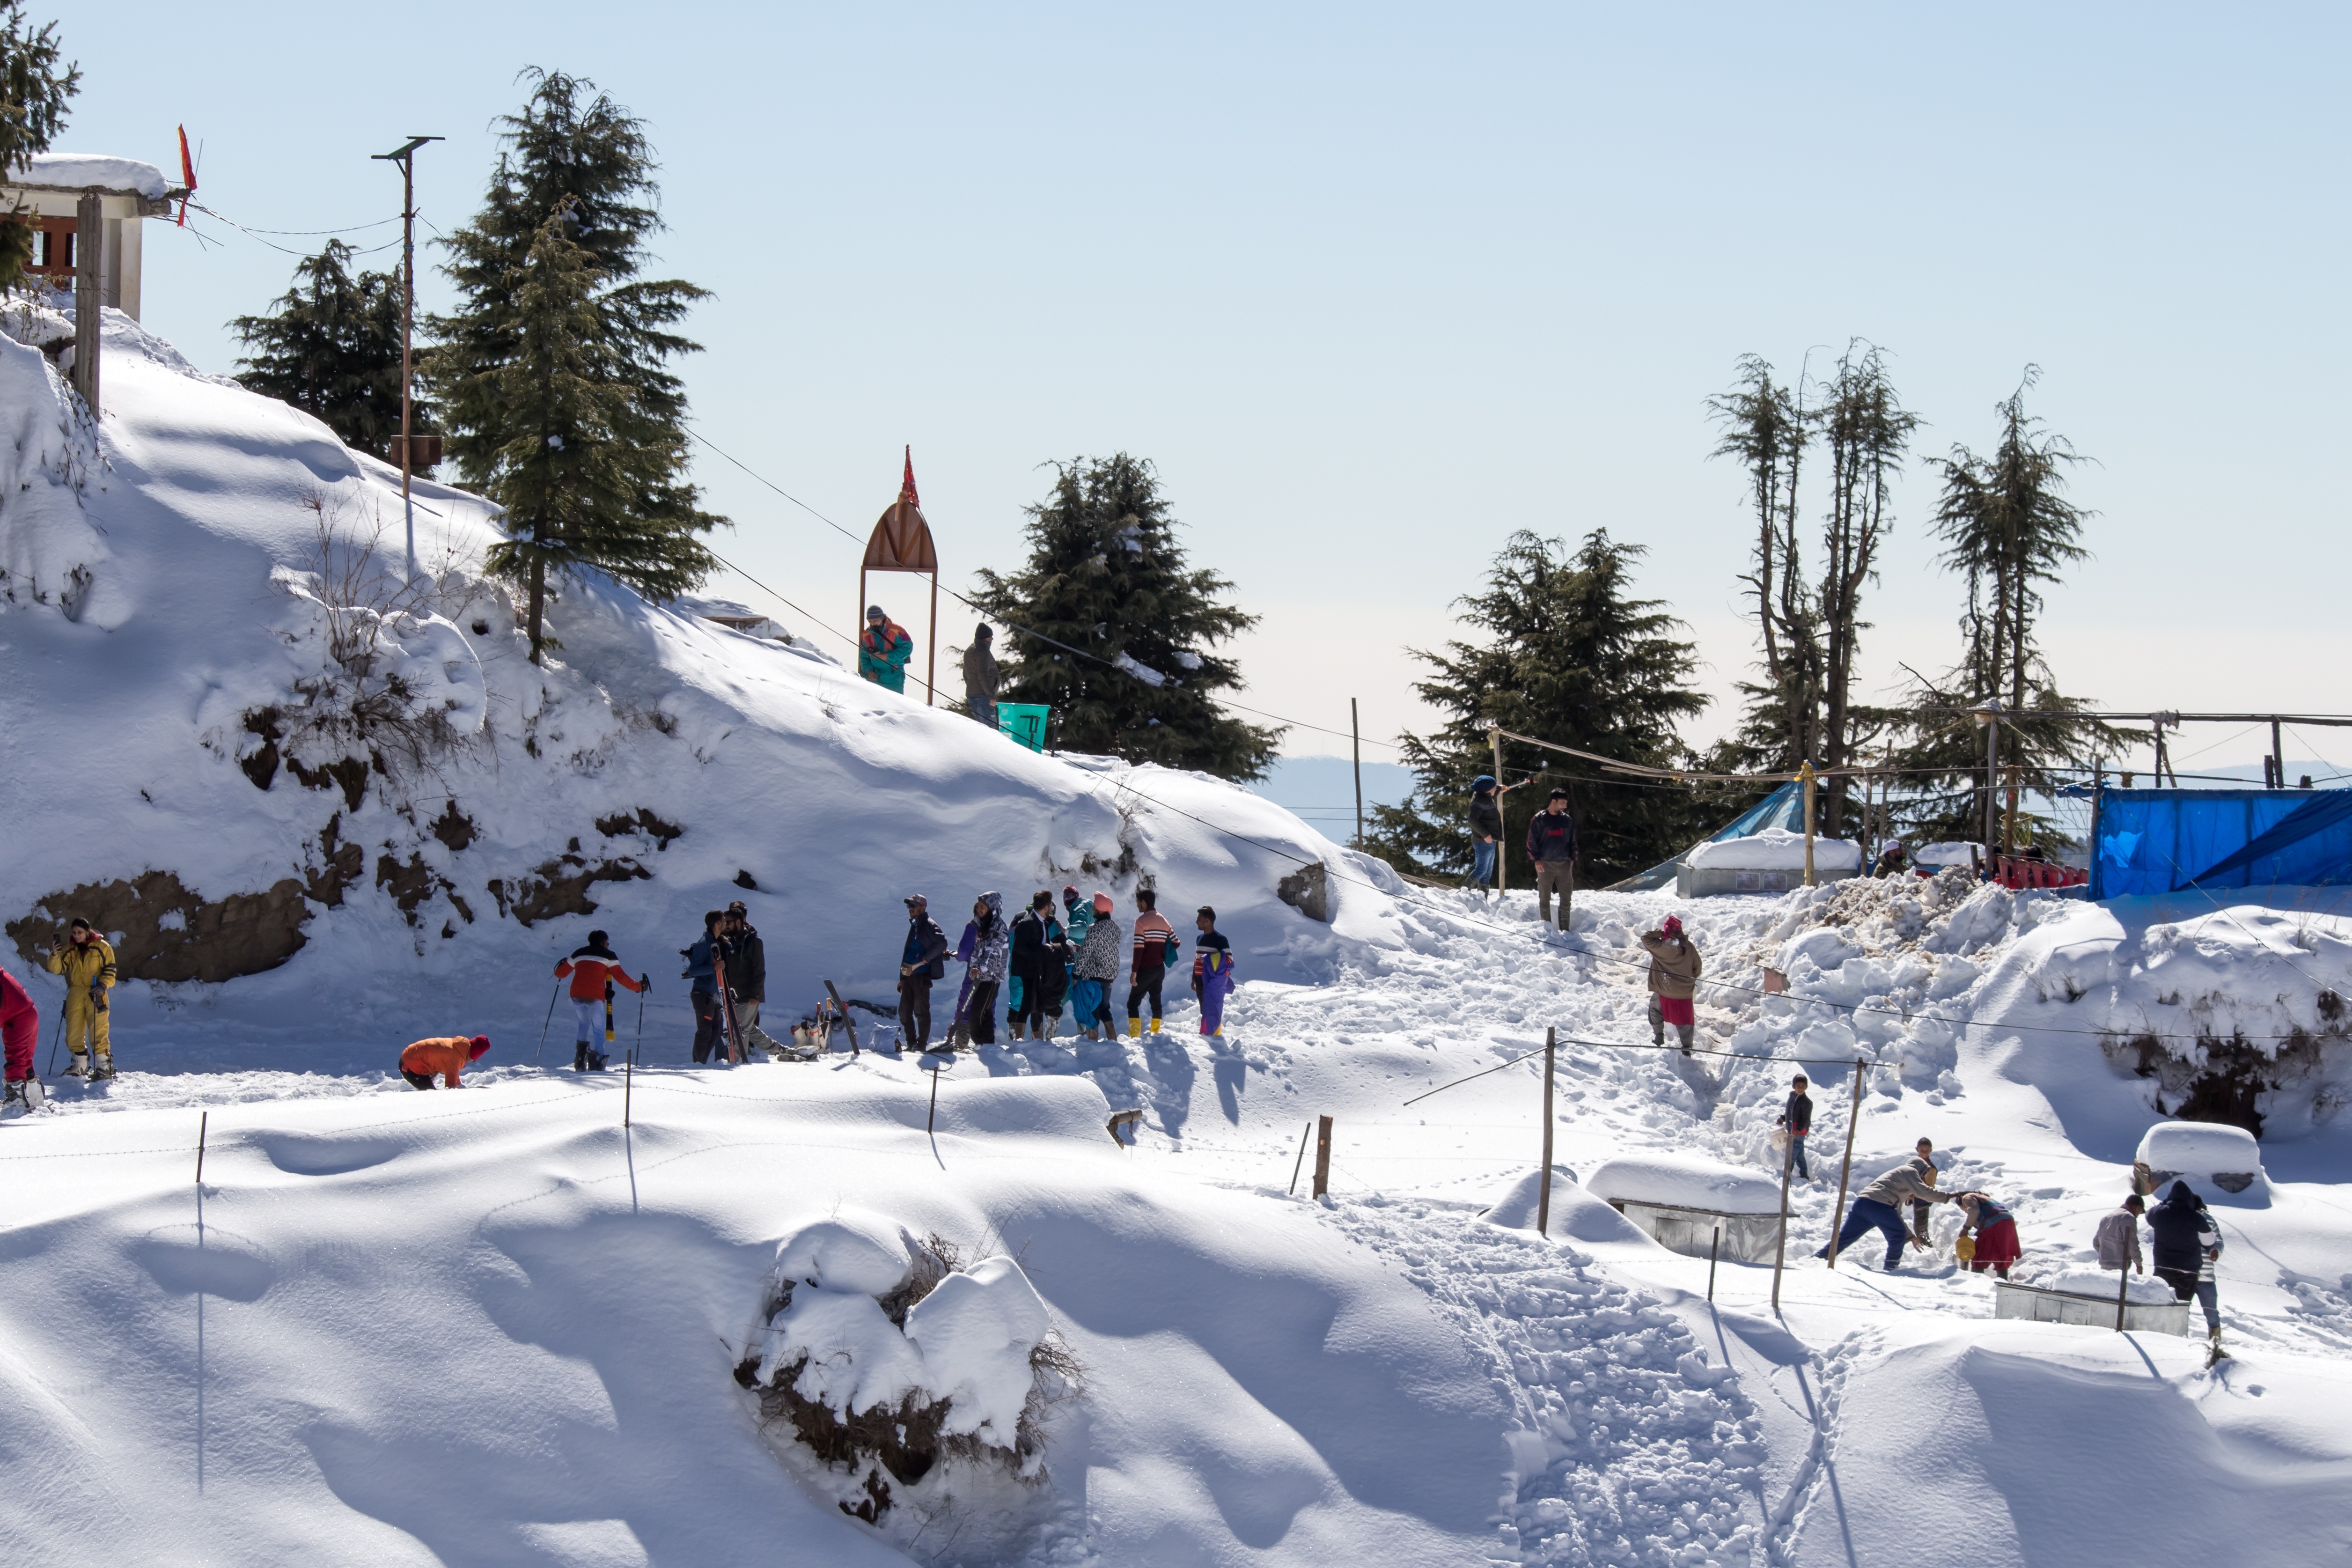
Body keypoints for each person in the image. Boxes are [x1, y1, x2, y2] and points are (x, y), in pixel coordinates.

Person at [1818, 1151, 1948, 1271]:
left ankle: (1817, 1259)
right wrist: (1949, 1196)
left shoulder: (1898, 1176)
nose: (1923, 1179)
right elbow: (1923, 1192)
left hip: (1862, 1204)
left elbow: (1896, 1215)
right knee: (1898, 1236)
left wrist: (1911, 1237)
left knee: (1845, 1237)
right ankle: (1891, 1268)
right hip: (1878, 1205)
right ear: (1921, 1170)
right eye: (1923, 1175)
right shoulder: (1910, 1171)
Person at [554, 930, 647, 1073]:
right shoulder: (609, 956)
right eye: (608, 942)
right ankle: (597, 1063)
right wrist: (639, 987)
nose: (608, 945)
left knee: (583, 1024)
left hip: (576, 995)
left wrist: (562, 965)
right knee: (598, 1030)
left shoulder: (579, 953)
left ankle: (580, 1060)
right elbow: (622, 978)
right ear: (604, 942)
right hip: (595, 997)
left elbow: (560, 973)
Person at [2148, 1180, 2226, 1350]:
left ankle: (2215, 1343)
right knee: (2182, 1308)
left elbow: (2217, 1241)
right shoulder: (2184, 1218)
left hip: (2204, 1273)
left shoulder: (2206, 1220)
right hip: (2188, 1271)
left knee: (2210, 1310)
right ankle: (2180, 1341)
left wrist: (2216, 1252)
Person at [44, 918, 118, 1080]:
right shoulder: (71, 949)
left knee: (98, 1031)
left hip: (96, 993)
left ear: (88, 931)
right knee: (73, 1032)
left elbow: (111, 971)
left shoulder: (102, 947)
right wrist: (55, 955)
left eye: (80, 933)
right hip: (76, 992)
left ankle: (103, 1067)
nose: (77, 936)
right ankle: (79, 1065)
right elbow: (58, 969)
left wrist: (103, 985)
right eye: (74, 932)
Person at [1640, 916, 1703, 1054]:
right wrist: (1688, 980)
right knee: (1685, 1020)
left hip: (1665, 990)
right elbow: (1697, 968)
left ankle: (1659, 1035)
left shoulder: (1661, 946)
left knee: (1655, 1008)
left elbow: (1645, 938)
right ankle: (1686, 1047)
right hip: (1685, 992)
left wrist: (1661, 934)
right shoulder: (1689, 947)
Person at [897, 895, 951, 1049]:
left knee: (921, 1012)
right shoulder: (916, 924)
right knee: (904, 1012)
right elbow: (909, 951)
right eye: (909, 906)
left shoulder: (928, 924)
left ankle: (920, 1046)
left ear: (923, 907)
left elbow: (942, 943)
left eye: (914, 905)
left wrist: (927, 959)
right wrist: (902, 977)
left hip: (921, 975)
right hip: (908, 975)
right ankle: (911, 1043)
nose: (911, 908)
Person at [1127, 889, 1181, 1038]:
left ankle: (1134, 1036)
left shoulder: (1141, 922)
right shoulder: (1163, 920)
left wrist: (1134, 972)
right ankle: (1156, 1032)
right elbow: (1176, 943)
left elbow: (1138, 948)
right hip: (1159, 969)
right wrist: (1161, 951)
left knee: (1132, 1003)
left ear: (1144, 902)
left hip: (1145, 970)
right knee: (1156, 1001)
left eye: (1138, 902)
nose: (1138, 905)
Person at [1525, 788, 1578, 929]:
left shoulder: (1567, 820)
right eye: (1562, 803)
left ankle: (1565, 930)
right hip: (1545, 864)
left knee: (1566, 899)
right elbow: (1532, 841)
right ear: (1553, 802)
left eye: (1566, 803)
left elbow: (1573, 841)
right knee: (1544, 898)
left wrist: (1572, 859)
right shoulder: (1539, 819)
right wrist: (1536, 859)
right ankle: (1547, 929)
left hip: (1564, 864)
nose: (1565, 806)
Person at [1073, 892, 1123, 1041]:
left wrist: (1076, 975)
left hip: (1094, 976)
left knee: (1093, 1010)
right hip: (1110, 977)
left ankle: (1093, 1044)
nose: (1093, 909)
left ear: (1100, 910)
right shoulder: (1115, 929)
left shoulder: (1094, 929)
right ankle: (1112, 1040)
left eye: (1095, 907)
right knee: (1105, 1009)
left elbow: (1086, 955)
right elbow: (1104, 948)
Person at [683, 910, 729, 1064]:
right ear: (717, 923)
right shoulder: (703, 945)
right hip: (702, 995)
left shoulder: (716, 942)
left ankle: (701, 1062)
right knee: (705, 1031)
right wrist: (714, 968)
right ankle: (697, 1064)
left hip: (713, 996)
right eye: (723, 920)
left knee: (715, 1032)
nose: (726, 923)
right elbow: (693, 970)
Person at [963, 892, 1009, 1047]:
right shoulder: (983, 925)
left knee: (976, 1015)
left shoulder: (999, 927)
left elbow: (992, 951)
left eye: (983, 907)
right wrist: (974, 967)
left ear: (993, 908)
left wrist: (981, 969)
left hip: (992, 977)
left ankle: (981, 1044)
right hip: (981, 976)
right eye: (978, 907)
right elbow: (977, 950)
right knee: (985, 1012)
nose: (979, 910)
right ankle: (988, 1046)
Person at [1008, 891, 1053, 1041]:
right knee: (1028, 1004)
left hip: (1038, 970)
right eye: (1051, 905)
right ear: (1046, 907)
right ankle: (1020, 1039)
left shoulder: (1042, 922)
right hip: (1028, 970)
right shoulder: (1027, 922)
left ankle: (1035, 1040)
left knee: (1035, 1005)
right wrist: (1041, 953)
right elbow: (1019, 948)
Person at [1952, 1191, 2021, 1278]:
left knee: (1979, 1256)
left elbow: (1974, 1211)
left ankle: (1977, 1281)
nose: (1966, 1212)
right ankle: (2003, 1282)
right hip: (2008, 1222)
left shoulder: (1967, 1197)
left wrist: (1966, 1229)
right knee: (2001, 1254)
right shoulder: (1986, 1199)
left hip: (1994, 1223)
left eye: (1964, 1209)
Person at [724, 901, 767, 1039]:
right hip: (731, 990)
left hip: (748, 991)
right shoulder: (727, 938)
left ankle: (749, 1048)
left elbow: (759, 970)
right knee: (736, 1025)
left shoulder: (752, 940)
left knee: (748, 1024)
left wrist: (756, 994)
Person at [1192, 906, 1235, 1037]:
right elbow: (1197, 959)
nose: (1196, 922)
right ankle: (1207, 1033)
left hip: (1213, 981)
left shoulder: (1221, 939)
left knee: (1214, 1007)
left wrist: (1219, 978)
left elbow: (1229, 960)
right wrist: (1193, 977)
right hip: (1200, 979)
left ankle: (1215, 1035)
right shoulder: (1199, 938)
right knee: (1204, 1008)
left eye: (1199, 919)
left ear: (1208, 921)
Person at [1466, 776, 1511, 894]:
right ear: (1487, 789)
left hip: (1491, 841)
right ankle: (1464, 892)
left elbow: (1490, 794)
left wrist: (1499, 789)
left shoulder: (1484, 796)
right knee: (1481, 870)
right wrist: (1485, 835)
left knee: (1487, 873)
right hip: (1483, 841)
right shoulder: (1478, 803)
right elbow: (1472, 821)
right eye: (1494, 787)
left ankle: (1482, 898)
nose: (1495, 788)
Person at [1, 967, 38, 1104]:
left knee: (16, 1060)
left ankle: (17, 1103)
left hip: (19, 1020)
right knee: (24, 1060)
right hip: (28, 1015)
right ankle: (35, 1099)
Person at [401, 1033, 490, 1090]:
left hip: (410, 1056)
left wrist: (459, 1086)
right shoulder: (456, 1057)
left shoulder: (458, 1047)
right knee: (430, 1095)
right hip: (410, 1065)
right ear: (474, 1055)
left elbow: (453, 1072)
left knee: (430, 1085)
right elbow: (450, 1087)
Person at [859, 605, 914, 692]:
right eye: (870, 621)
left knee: (896, 704)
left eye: (875, 621)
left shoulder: (897, 631)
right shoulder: (866, 635)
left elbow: (908, 649)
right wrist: (869, 671)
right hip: (873, 678)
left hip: (894, 677)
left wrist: (888, 656)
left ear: (882, 618)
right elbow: (863, 657)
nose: (872, 624)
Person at [2094, 1194, 2146, 1275]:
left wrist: (2106, 1254)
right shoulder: (2129, 1218)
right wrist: (2139, 1264)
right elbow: (2132, 1245)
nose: (2138, 1215)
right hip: (2119, 1268)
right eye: (2140, 1212)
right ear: (2138, 1208)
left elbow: (2096, 1243)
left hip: (2104, 1268)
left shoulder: (2107, 1217)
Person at [962, 623, 1000, 729]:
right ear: (984, 637)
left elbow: (965, 674)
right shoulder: (983, 650)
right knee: (990, 728)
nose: (992, 639)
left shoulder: (970, 649)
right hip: (983, 696)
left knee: (982, 728)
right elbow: (983, 675)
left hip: (973, 695)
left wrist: (972, 686)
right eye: (990, 636)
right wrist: (992, 696)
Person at [1776, 1074, 1813, 1178]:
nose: (1800, 1088)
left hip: (1799, 1133)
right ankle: (1804, 1176)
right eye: (1798, 1086)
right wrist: (1783, 1119)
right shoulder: (1792, 1098)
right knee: (1800, 1156)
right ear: (1793, 1086)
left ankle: (1787, 1178)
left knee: (1791, 1156)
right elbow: (1790, 1114)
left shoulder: (1807, 1102)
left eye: (1803, 1086)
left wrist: (1799, 1129)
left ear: (1806, 1087)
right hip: (1792, 1131)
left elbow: (1806, 1119)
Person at [1909, 1137, 1940, 1248]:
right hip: (1916, 1198)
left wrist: (1915, 1192)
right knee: (1918, 1224)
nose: (1924, 1154)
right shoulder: (1913, 1163)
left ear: (1931, 1151)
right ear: (1917, 1149)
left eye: (1927, 1151)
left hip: (1923, 1200)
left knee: (1921, 1227)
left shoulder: (1931, 1169)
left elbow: (1929, 1187)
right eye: (1922, 1151)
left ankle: (1926, 1246)